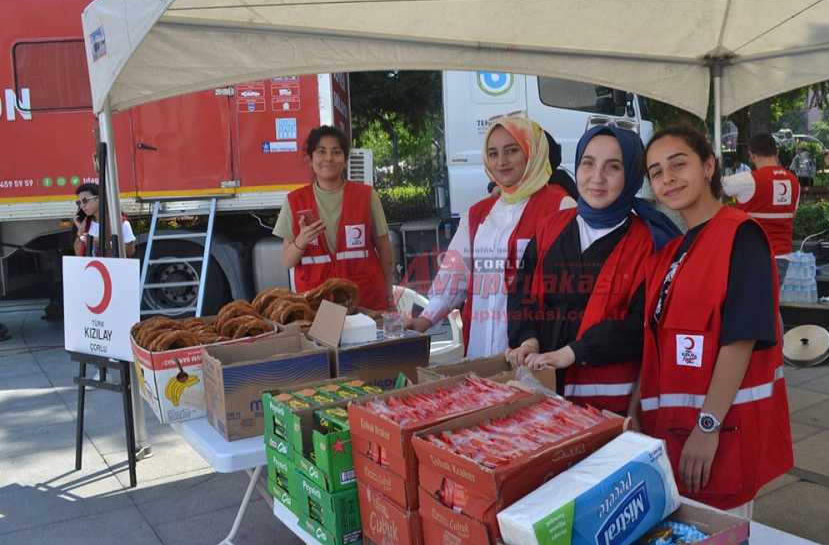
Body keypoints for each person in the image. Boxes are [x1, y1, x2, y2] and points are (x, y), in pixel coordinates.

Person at [635, 124, 792, 517]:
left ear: (708, 167)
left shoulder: (742, 237)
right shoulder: (671, 251)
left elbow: (740, 340)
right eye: (656, 172)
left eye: (678, 164)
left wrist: (707, 427)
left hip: (720, 435)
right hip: (669, 435)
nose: (667, 178)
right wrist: (636, 410)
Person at [506, 125, 680, 412]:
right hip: (542, 394)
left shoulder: (651, 243)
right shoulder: (551, 227)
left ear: (633, 175)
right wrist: (527, 339)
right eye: (588, 164)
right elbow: (521, 290)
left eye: (613, 167)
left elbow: (642, 324)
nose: (597, 178)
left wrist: (574, 353)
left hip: (608, 405)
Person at [407, 113, 573, 357]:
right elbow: (453, 279)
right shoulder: (477, 213)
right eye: (493, 153)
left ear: (531, 152)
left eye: (512, 150)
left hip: (535, 350)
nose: (501, 161)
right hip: (480, 346)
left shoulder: (562, 206)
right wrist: (422, 322)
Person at [274, 125, 394, 310]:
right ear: (310, 159)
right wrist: (302, 240)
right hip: (317, 305)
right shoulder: (294, 201)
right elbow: (287, 261)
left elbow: (385, 251)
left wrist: (389, 295)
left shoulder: (366, 196)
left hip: (365, 301)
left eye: (336, 152)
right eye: (321, 152)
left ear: (345, 160)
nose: (329, 158)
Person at [721, 133, 800, 287]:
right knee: (770, 305)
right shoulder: (793, 181)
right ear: (776, 152)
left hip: (753, 257)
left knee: (753, 308)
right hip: (783, 257)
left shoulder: (747, 180)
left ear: (752, 155)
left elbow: (714, 188)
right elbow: (793, 215)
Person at [72, 183, 137, 257]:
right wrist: (80, 231)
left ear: (99, 198)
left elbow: (130, 252)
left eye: (85, 200)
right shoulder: (85, 224)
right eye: (79, 202)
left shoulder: (120, 223)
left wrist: (102, 243)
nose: (82, 206)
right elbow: (78, 254)